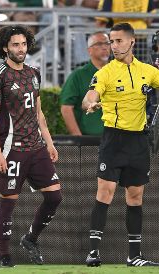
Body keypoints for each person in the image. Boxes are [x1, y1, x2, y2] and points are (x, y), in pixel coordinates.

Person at [82, 22, 159, 267]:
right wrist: (91, 103)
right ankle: (93, 252)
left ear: (132, 41)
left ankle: (134, 256)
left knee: (135, 196)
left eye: (117, 41)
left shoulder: (148, 71)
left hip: (139, 140)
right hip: (113, 139)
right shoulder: (105, 72)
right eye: (110, 41)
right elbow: (89, 97)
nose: (113, 46)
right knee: (105, 192)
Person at [0, 25, 62, 267]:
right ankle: (4, 256)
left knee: (55, 196)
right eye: (15, 44)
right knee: (8, 201)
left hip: (36, 147)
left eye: (23, 44)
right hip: (12, 147)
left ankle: (30, 238)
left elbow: (39, 113)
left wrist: (49, 143)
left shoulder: (34, 73)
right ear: (5, 47)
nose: (20, 49)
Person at [60, 31, 110, 136]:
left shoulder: (118, 73)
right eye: (99, 44)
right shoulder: (78, 76)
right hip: (90, 140)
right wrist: (79, 139)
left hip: (117, 140)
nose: (105, 47)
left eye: (107, 43)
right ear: (89, 50)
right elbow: (66, 108)